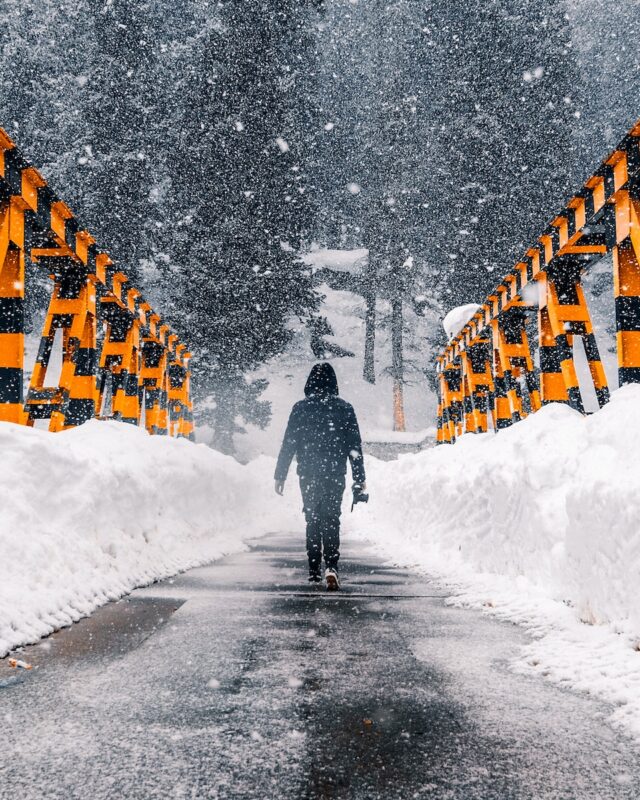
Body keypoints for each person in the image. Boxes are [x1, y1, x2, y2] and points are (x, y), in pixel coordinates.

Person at [274, 362, 366, 590]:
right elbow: (354, 446)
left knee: (312, 517)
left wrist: (280, 474)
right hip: (334, 472)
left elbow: (289, 443)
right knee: (332, 518)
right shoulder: (345, 408)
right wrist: (359, 478)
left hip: (309, 472)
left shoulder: (300, 408)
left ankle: (314, 568)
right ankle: (331, 566)